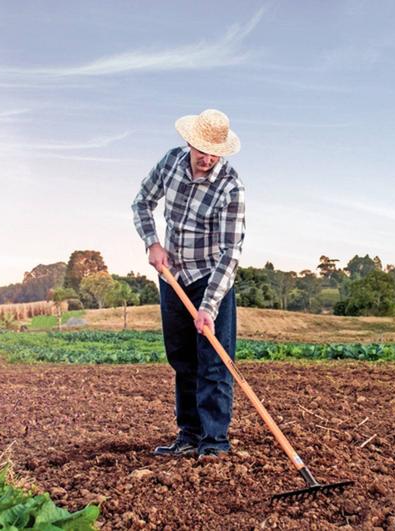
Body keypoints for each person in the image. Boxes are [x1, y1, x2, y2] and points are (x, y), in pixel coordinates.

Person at [132, 109, 245, 460]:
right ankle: (190, 435)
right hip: (173, 276)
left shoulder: (231, 187)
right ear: (189, 142)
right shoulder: (170, 164)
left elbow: (231, 253)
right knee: (182, 359)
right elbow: (142, 203)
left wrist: (209, 306)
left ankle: (214, 443)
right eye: (202, 149)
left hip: (212, 279)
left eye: (215, 152)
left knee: (213, 362)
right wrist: (152, 243)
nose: (208, 158)